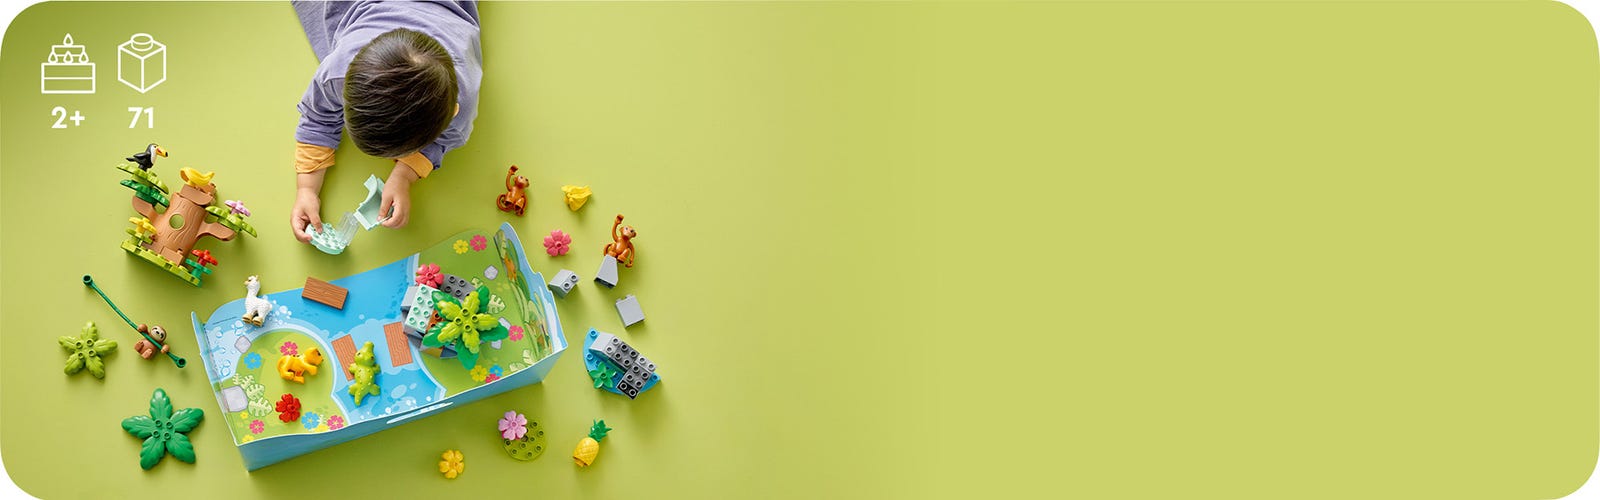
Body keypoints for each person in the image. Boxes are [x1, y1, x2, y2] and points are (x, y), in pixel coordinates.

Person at [288, 1, 482, 242]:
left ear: (453, 112)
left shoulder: (462, 108)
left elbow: (440, 142)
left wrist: (404, 175)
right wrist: (306, 190)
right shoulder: (338, 74)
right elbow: (318, 118)